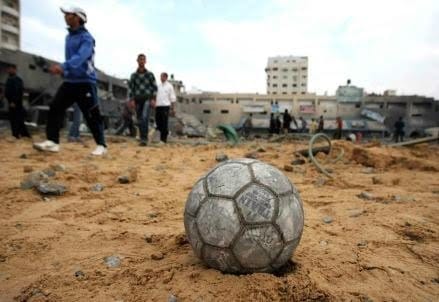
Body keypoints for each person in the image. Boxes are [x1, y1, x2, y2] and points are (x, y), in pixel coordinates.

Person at [33, 7, 107, 155]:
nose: (65, 16)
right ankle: (53, 142)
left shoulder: (87, 38)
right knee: (55, 107)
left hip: (86, 82)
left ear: (78, 18)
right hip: (70, 82)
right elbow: (70, 60)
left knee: (92, 114)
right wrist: (64, 71)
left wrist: (63, 66)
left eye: (69, 14)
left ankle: (102, 145)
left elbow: (81, 57)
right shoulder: (69, 37)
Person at [129, 54, 157, 146]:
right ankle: (142, 138)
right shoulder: (133, 75)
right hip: (137, 99)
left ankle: (144, 139)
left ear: (145, 61)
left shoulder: (150, 74)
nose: (141, 61)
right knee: (140, 118)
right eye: (140, 59)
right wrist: (132, 100)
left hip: (147, 99)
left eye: (143, 59)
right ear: (137, 61)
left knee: (145, 117)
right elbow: (131, 89)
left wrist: (153, 99)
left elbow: (154, 87)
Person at [4, 64, 31, 139]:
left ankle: (16, 135)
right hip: (11, 102)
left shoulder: (17, 79)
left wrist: (14, 101)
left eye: (10, 69)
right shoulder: (10, 78)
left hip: (15, 103)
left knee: (15, 119)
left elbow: (18, 91)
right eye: (8, 69)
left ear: (14, 70)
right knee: (17, 119)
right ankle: (23, 134)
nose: (9, 70)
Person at [155, 72, 176, 143]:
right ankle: (166, 132)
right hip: (158, 106)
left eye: (162, 77)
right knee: (158, 123)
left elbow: (172, 97)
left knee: (164, 123)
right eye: (160, 77)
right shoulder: (159, 86)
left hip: (165, 107)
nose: (161, 78)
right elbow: (156, 96)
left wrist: (172, 108)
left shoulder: (170, 86)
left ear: (166, 77)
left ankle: (163, 140)